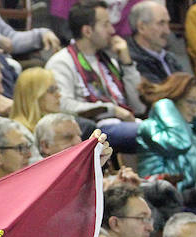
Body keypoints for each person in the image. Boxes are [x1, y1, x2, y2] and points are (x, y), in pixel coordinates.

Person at [45, 0, 143, 149]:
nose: (112, 30)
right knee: (153, 132)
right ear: (87, 31)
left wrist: (127, 63)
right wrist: (111, 109)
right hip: (94, 129)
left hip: (123, 125)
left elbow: (139, 106)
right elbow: (62, 105)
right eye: (105, 25)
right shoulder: (61, 62)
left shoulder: (108, 61)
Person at [137, 74, 196, 192]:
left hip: (195, 198)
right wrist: (164, 104)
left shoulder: (193, 132)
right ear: (174, 100)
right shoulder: (150, 127)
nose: (195, 110)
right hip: (163, 201)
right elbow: (179, 143)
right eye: (190, 102)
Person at [127, 1, 188, 85]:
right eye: (161, 23)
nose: (167, 31)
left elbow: (190, 84)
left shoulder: (168, 57)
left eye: (168, 23)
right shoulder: (133, 61)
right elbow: (159, 93)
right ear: (142, 27)